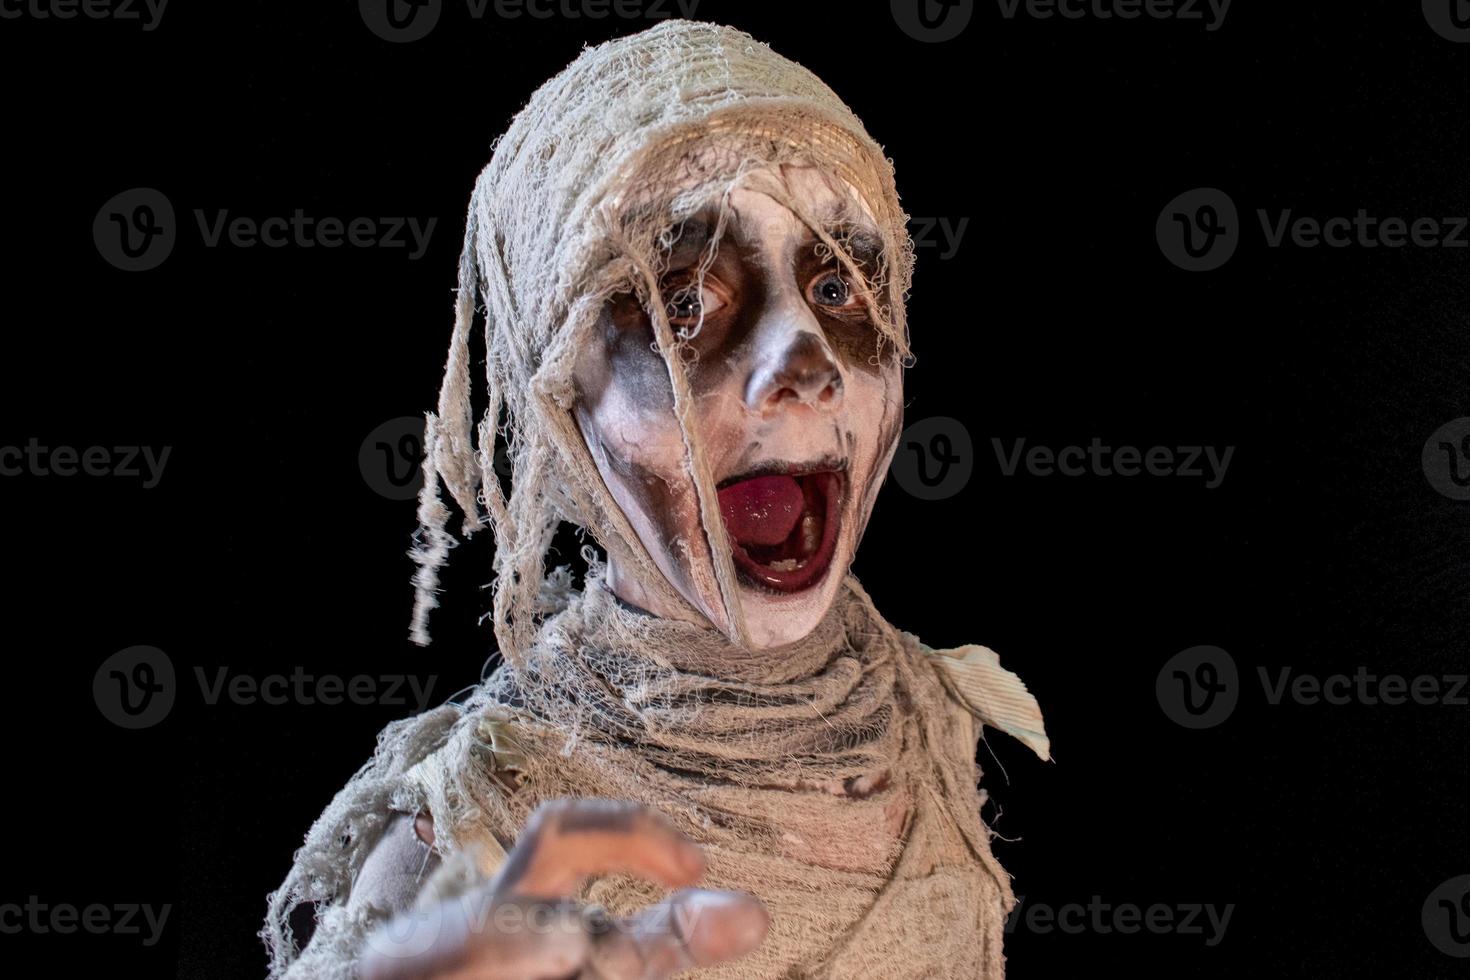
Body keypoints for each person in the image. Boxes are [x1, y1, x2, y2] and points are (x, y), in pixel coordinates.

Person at [263, 19, 1049, 979]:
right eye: (684, 305)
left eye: (841, 290)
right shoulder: (479, 834)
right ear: (561, 393)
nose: (804, 363)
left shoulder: (928, 720)